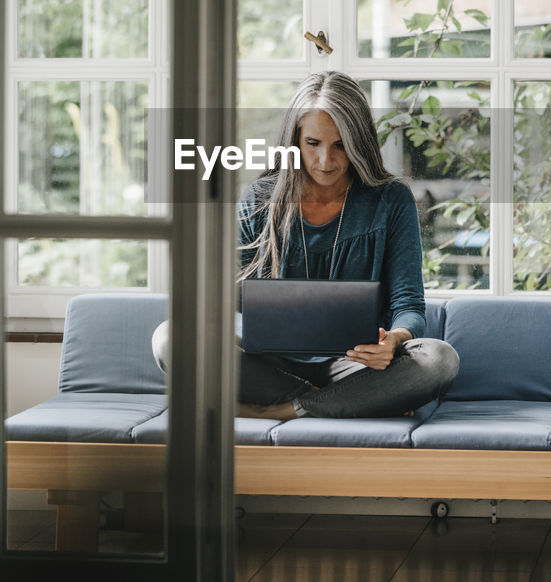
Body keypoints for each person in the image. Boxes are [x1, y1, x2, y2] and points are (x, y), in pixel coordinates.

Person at [152, 71, 459, 420]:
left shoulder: (391, 201)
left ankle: (286, 409)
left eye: (340, 145)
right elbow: (229, 304)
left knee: (439, 359)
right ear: (294, 140)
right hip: (270, 368)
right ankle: (343, 401)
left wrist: (394, 340)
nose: (326, 161)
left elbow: (410, 306)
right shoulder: (258, 199)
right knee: (170, 337)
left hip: (355, 366)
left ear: (360, 141)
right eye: (313, 144)